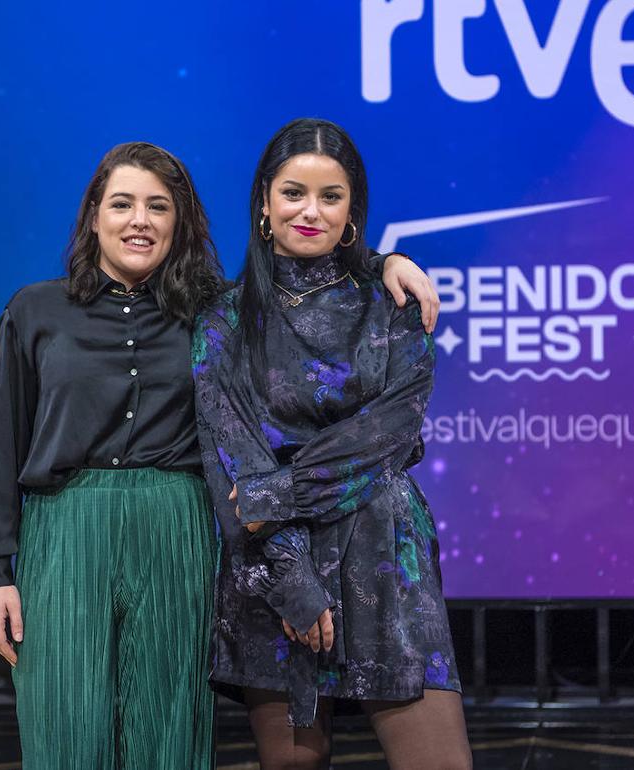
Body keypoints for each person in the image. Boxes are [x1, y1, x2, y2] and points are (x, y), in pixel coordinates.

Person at [0, 140, 440, 769]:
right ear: (93, 216)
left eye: (158, 207)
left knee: (168, 733)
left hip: (176, 523)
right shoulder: (35, 311)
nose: (140, 220)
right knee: (64, 727)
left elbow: (306, 263)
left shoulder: (216, 311)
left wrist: (384, 261)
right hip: (66, 529)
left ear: (180, 222)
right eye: (123, 204)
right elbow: (3, 444)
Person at [192, 119, 472, 770]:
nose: (309, 211)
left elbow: (388, 436)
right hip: (272, 563)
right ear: (264, 204)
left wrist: (270, 495)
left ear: (352, 214)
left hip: (384, 560)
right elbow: (231, 453)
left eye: (330, 196)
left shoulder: (395, 302)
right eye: (293, 193)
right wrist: (293, 584)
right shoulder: (221, 322)